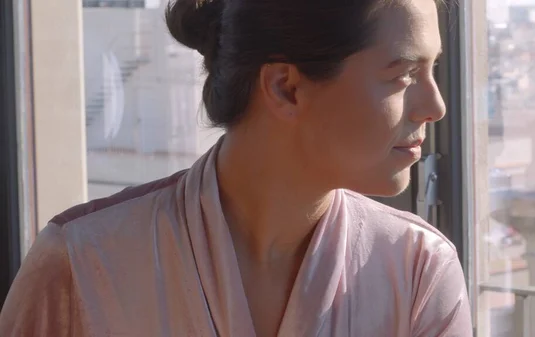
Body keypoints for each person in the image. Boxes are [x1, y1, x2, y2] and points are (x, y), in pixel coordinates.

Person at [0, 0, 472, 335]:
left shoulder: (417, 269)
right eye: (404, 74)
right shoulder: (81, 262)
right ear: (286, 87)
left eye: (433, 70)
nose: (436, 105)